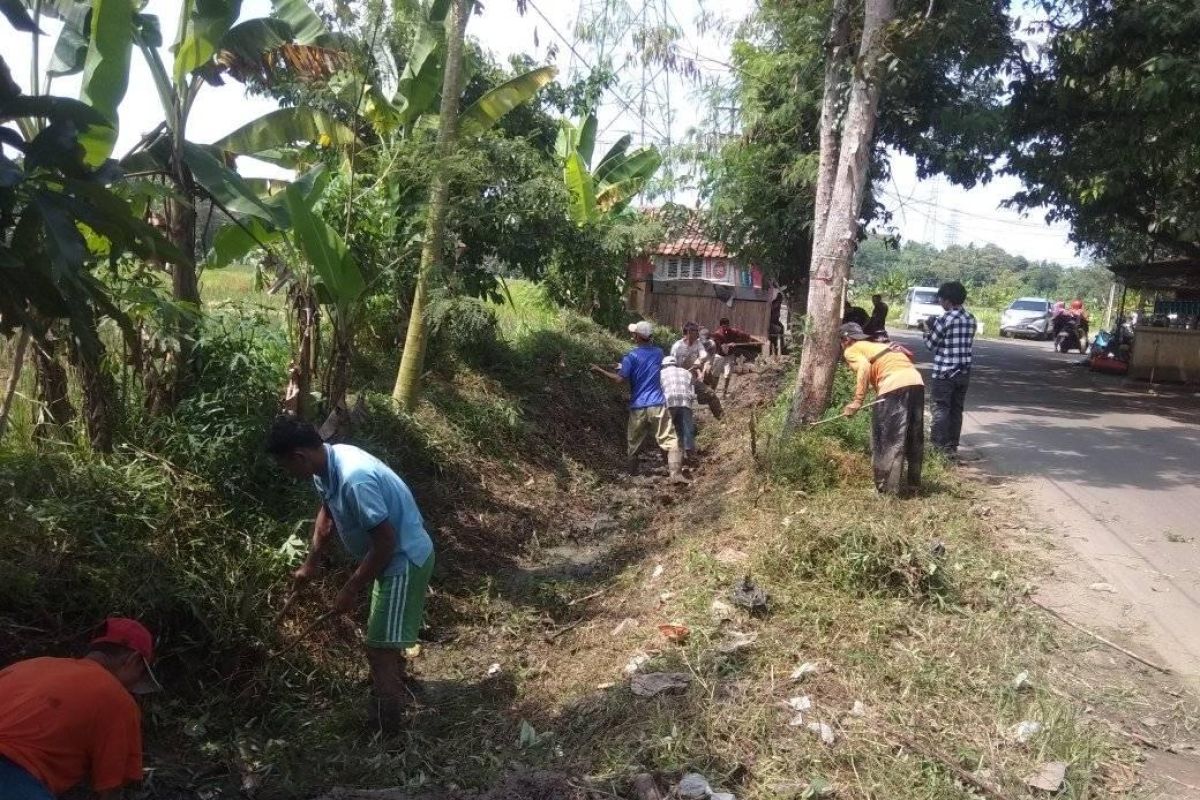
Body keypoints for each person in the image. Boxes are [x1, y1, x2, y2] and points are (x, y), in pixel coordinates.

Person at [266, 416, 435, 736]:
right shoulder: (326, 465)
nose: (288, 474)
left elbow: (386, 541)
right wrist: (311, 563)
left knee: (378, 648)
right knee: (382, 641)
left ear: (299, 457)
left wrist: (350, 588)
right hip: (388, 560)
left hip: (403, 559)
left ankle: (389, 730)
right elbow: (327, 516)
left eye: (285, 467)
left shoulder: (354, 478)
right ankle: (395, 694)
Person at [0, 617, 160, 800]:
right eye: (139, 676)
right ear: (133, 661)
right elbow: (110, 789)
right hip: (11, 778)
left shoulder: (27, 666)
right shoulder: (117, 698)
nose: (133, 688)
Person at [591, 321, 684, 482]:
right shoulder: (659, 353)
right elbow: (648, 365)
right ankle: (676, 475)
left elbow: (620, 379)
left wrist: (600, 371)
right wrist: (623, 365)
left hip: (638, 407)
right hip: (657, 404)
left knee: (633, 444)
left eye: (634, 334)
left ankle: (632, 476)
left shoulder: (631, 356)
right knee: (669, 439)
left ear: (637, 337)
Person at [839, 323, 925, 495]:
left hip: (894, 385)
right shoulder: (878, 346)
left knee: (888, 438)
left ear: (846, 339)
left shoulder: (851, 349)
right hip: (916, 382)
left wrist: (857, 401)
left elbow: (864, 367)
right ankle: (914, 486)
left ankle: (887, 490)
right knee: (913, 436)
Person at [922, 281, 976, 458]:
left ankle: (938, 448)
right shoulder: (971, 319)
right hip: (963, 372)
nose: (940, 303)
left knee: (941, 408)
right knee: (956, 409)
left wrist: (926, 329)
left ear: (948, 300)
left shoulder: (945, 319)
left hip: (944, 372)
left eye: (941, 299)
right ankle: (952, 447)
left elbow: (931, 345)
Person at [659, 355, 697, 463]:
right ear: (675, 364)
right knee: (687, 429)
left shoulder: (660, 373)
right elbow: (692, 392)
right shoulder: (687, 372)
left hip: (669, 401)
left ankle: (666, 457)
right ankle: (690, 455)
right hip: (685, 401)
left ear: (664, 366)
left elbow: (658, 391)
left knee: (667, 429)